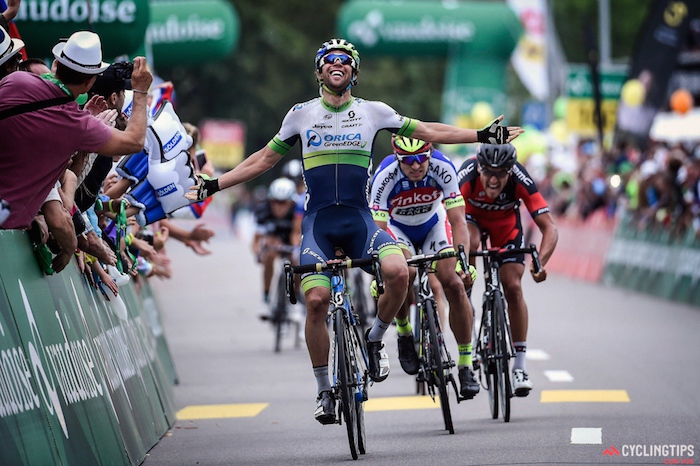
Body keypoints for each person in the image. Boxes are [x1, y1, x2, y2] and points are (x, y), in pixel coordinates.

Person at [186, 38, 523, 423]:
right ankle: (323, 390)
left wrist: (481, 136)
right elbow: (263, 159)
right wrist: (215, 184)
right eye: (329, 59)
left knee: (400, 273)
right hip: (319, 225)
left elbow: (427, 130)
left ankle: (376, 338)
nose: (337, 64)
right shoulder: (300, 115)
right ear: (319, 70)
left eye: (346, 60)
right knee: (315, 302)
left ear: (354, 73)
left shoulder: (373, 112)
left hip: (361, 222)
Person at [0, 30, 153, 231]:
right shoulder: (78, 125)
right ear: (89, 82)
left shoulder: (16, 80)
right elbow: (134, 142)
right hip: (8, 226)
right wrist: (140, 91)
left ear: (57, 64)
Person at [370, 135, 480, 399]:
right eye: (408, 161)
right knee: (403, 273)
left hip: (434, 225)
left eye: (422, 158)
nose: (417, 166)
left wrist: (463, 260)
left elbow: (458, 220)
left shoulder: (443, 166)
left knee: (452, 282)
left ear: (430, 153)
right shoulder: (385, 174)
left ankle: (466, 365)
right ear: (397, 158)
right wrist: (379, 272)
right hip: (398, 229)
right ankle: (405, 331)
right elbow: (378, 231)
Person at [457, 143, 558, 397]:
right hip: (470, 222)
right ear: (479, 167)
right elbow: (450, 221)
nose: (493, 179)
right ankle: (467, 334)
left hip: (506, 226)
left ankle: (520, 367)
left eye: (501, 173)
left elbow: (550, 228)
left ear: (510, 172)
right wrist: (460, 267)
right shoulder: (466, 176)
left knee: (512, 286)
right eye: (488, 172)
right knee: (468, 253)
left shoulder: (520, 178)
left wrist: (540, 262)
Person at [252, 177, 298, 309]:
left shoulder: (298, 211)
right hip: (273, 241)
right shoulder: (263, 211)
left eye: (283, 203)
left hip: (291, 241)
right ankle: (266, 293)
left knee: (298, 262)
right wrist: (258, 253)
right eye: (275, 202)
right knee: (269, 256)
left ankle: (297, 292)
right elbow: (256, 240)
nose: (278, 206)